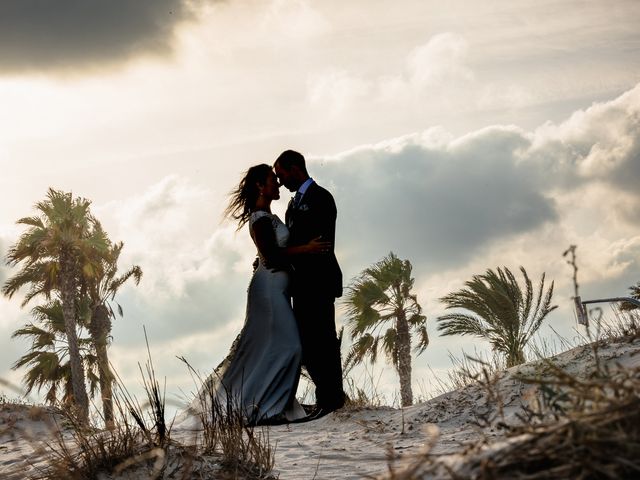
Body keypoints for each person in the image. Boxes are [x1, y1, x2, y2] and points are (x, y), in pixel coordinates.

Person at [183, 164, 331, 427]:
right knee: (290, 347)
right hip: (269, 292)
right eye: (272, 180)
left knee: (266, 349)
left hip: (277, 291)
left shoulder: (268, 217)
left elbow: (267, 252)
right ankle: (268, 409)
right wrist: (305, 249)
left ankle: (263, 406)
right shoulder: (260, 218)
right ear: (260, 187)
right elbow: (271, 256)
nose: (278, 184)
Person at [274, 150, 346, 419]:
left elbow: (321, 243)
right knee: (307, 343)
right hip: (300, 284)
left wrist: (289, 251)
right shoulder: (292, 205)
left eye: (281, 175)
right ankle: (327, 395)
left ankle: (332, 400)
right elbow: (294, 243)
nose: (280, 182)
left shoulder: (322, 197)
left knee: (323, 340)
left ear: (295, 168)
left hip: (319, 280)